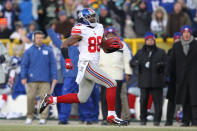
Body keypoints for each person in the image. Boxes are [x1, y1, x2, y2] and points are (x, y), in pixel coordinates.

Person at [40, 8, 127, 126]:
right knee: (112, 83)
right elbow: (64, 45)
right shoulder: (81, 30)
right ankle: (111, 115)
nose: (93, 18)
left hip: (91, 65)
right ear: (84, 19)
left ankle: (51, 100)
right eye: (90, 17)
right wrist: (68, 60)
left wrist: (113, 47)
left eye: (93, 16)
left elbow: (104, 48)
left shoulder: (99, 27)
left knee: (82, 98)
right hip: (86, 64)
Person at [21, 31, 57, 125]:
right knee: (30, 98)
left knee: (45, 99)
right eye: (37, 38)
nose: (39, 39)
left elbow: (53, 65)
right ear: (34, 39)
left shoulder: (48, 50)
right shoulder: (29, 51)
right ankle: (29, 116)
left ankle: (43, 118)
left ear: (43, 38)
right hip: (32, 79)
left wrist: (54, 77)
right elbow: (24, 65)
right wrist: (23, 76)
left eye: (41, 37)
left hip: (45, 79)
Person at [130, 32, 167, 126]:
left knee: (158, 102)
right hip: (144, 81)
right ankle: (143, 119)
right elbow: (132, 62)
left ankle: (157, 120)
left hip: (157, 81)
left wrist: (161, 65)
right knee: (143, 101)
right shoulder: (140, 52)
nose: (150, 41)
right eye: (148, 40)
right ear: (145, 41)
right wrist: (136, 63)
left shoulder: (161, 52)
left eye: (151, 40)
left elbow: (167, 64)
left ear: (154, 41)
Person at [99, 27, 132, 125]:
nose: (110, 36)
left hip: (116, 74)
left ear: (115, 34)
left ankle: (115, 118)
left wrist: (128, 72)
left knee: (116, 98)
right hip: (103, 74)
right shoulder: (101, 44)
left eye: (112, 34)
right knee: (104, 98)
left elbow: (127, 58)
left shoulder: (122, 45)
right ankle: (106, 118)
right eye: (108, 34)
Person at [168, 25, 197, 126]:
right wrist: (168, 75)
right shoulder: (176, 46)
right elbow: (172, 62)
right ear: (182, 34)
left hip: (194, 78)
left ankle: (195, 121)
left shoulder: (196, 44)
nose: (186, 34)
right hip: (182, 78)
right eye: (184, 33)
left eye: (188, 32)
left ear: (190, 34)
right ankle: (185, 120)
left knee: (194, 100)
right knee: (184, 100)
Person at [165, 32, 181, 126]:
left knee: (185, 100)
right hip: (173, 79)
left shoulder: (185, 49)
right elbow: (168, 65)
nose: (177, 41)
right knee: (171, 100)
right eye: (176, 39)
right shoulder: (170, 51)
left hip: (183, 78)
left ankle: (186, 119)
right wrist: (167, 76)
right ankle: (169, 120)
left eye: (179, 39)